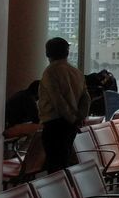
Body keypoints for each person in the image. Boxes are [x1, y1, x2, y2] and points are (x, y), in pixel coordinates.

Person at [38, 37, 91, 173]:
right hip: (71, 126)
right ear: (67, 53)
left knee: (54, 165)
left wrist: (71, 119)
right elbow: (86, 98)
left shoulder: (50, 72)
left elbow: (58, 101)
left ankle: (57, 192)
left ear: (47, 53)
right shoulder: (76, 72)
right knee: (64, 161)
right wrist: (79, 118)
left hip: (54, 124)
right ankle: (65, 191)